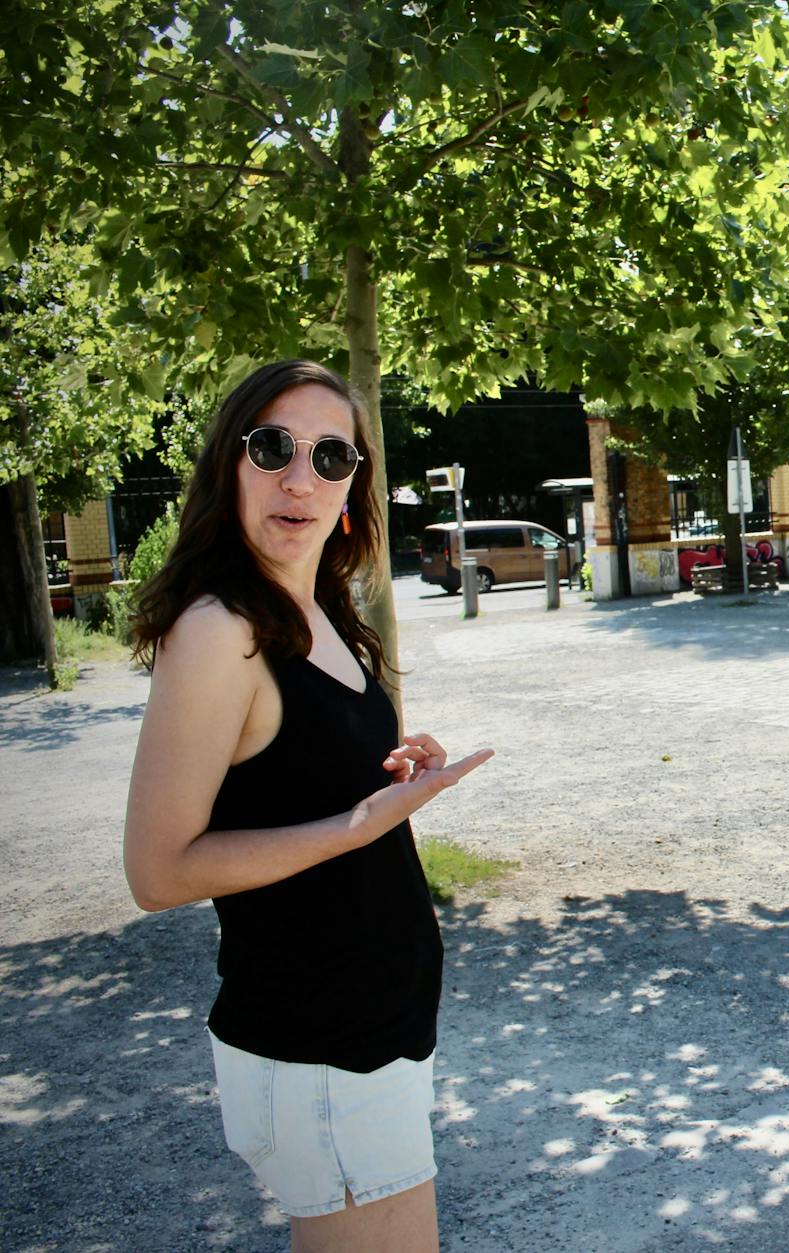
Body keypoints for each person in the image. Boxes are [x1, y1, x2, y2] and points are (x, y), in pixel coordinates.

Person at [123, 360, 493, 1251]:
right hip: (317, 1044)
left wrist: (391, 781)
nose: (301, 477)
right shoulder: (220, 629)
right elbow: (157, 871)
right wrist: (356, 825)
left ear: (356, 482)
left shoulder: (323, 610)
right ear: (229, 462)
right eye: (272, 446)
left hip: (370, 1031)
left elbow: (300, 781)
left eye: (332, 456)